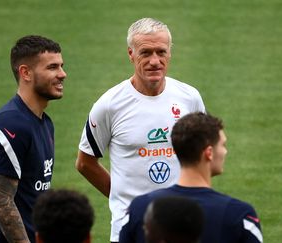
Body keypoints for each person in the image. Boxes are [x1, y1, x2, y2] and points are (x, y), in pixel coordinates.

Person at [75, 17, 205, 242]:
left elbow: (203, 156)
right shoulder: (109, 105)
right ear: (130, 54)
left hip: (181, 227)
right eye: (146, 53)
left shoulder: (189, 98)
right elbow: (85, 162)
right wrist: (122, 198)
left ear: (170, 53)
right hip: (130, 229)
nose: (155, 61)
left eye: (161, 52)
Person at [0, 35, 67, 243]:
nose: (62, 74)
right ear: (25, 72)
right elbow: (2, 203)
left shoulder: (44, 123)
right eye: (52, 67)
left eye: (61, 66)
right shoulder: (12, 124)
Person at [119, 112, 263, 243]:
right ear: (209, 153)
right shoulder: (239, 215)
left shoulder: (139, 209)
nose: (225, 151)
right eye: (223, 145)